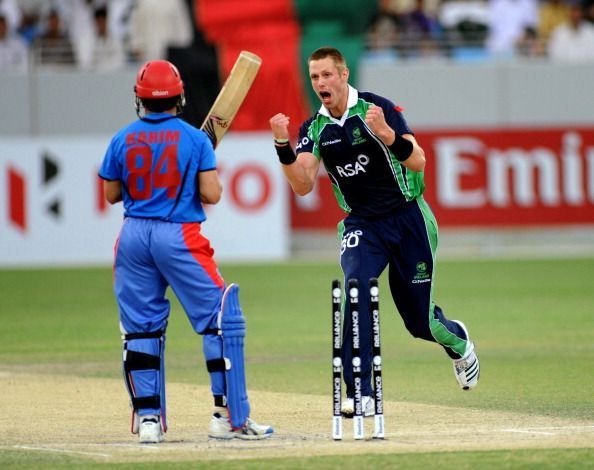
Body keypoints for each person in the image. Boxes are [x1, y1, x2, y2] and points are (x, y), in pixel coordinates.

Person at [269, 47, 480, 418]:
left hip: (409, 217)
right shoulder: (314, 128)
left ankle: (458, 340)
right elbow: (302, 183)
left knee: (420, 322)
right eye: (315, 76)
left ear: (344, 74)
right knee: (357, 288)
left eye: (326, 75)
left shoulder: (375, 109)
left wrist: (386, 134)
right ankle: (361, 391)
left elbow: (418, 160)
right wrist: (282, 146)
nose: (320, 83)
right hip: (362, 224)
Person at [99, 60, 273, 443]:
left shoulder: (122, 139)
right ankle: (227, 417)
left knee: (140, 329)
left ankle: (147, 420)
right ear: (180, 96)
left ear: (139, 100)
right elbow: (211, 193)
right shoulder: (194, 141)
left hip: (132, 237)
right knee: (220, 319)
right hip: (178, 235)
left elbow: (111, 194)